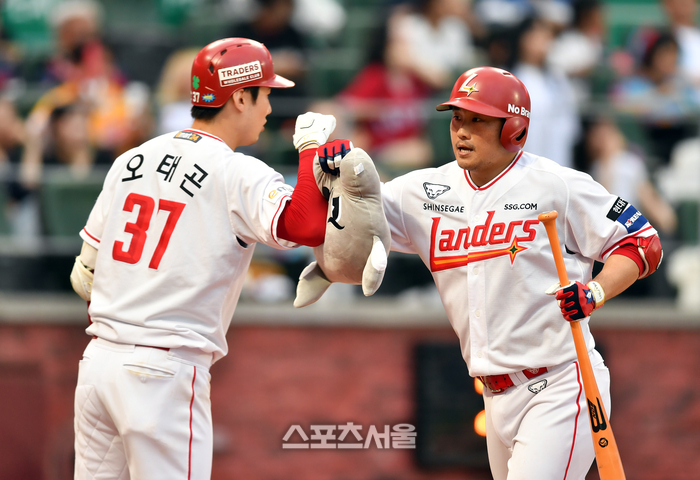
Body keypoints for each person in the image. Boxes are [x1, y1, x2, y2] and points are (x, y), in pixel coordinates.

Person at [376, 66, 663, 479]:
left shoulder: (556, 184)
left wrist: (594, 292)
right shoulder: (421, 191)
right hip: (493, 396)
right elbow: (349, 218)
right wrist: (327, 168)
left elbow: (642, 242)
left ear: (514, 129)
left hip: (560, 384)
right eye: (457, 118)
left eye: (478, 120)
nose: (462, 131)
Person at [68, 38, 336, 479]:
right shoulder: (236, 171)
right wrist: (309, 151)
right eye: (265, 94)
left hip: (98, 363)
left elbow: (84, 276)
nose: (269, 107)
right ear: (240, 97)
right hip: (162, 371)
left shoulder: (132, 158)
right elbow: (304, 226)